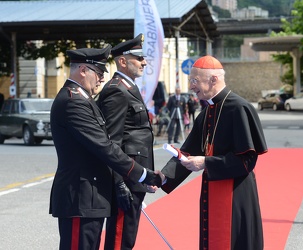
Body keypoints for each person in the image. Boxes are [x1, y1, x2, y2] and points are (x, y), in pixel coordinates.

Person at [49, 45, 162, 250]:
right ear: (83, 70)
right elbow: (105, 146)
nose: (102, 78)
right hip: (80, 196)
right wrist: (142, 174)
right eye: (99, 72)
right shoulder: (73, 101)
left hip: (90, 197)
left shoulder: (83, 99)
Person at [161, 55, 268, 250]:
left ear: (213, 79)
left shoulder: (239, 108)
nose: (191, 86)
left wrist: (206, 163)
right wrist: (163, 177)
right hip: (212, 190)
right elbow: (187, 151)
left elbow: (247, 160)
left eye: (195, 80)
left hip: (236, 194)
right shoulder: (207, 111)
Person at [96, 34, 156, 250]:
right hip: (126, 178)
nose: (144, 62)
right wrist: (119, 183)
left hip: (135, 176)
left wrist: (146, 174)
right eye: (139, 57)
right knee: (120, 238)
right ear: (122, 61)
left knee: (127, 237)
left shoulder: (129, 87)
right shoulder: (116, 90)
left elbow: (138, 136)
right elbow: (111, 142)